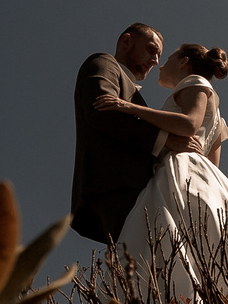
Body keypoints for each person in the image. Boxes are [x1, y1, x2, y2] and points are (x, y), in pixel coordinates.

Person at [94, 42, 228, 304]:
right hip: (204, 176)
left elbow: (189, 124)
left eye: (167, 57)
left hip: (181, 169)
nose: (160, 64)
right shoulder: (218, 118)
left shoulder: (194, 82)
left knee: (166, 238)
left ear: (183, 61)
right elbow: (212, 162)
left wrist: (128, 107)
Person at [70, 22, 165, 247]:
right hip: (117, 187)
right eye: (151, 49)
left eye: (159, 56)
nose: (156, 60)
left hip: (133, 191)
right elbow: (101, 111)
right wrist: (165, 141)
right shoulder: (102, 62)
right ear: (126, 41)